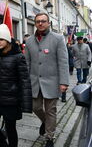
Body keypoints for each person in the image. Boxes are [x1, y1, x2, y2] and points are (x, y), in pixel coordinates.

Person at [0, 24, 32, 147]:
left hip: (11, 101)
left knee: (10, 129)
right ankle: (3, 144)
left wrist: (26, 104)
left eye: (1, 39)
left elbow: (24, 81)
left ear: (7, 40)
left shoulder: (18, 57)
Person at [25, 13, 69, 147]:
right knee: (35, 107)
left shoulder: (58, 38)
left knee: (51, 110)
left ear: (48, 23)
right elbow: (27, 62)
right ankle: (46, 122)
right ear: (35, 23)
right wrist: (25, 81)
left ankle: (49, 136)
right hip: (34, 82)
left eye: (43, 21)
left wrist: (64, 82)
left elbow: (63, 61)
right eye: (38, 21)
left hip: (52, 81)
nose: (40, 23)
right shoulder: (29, 41)